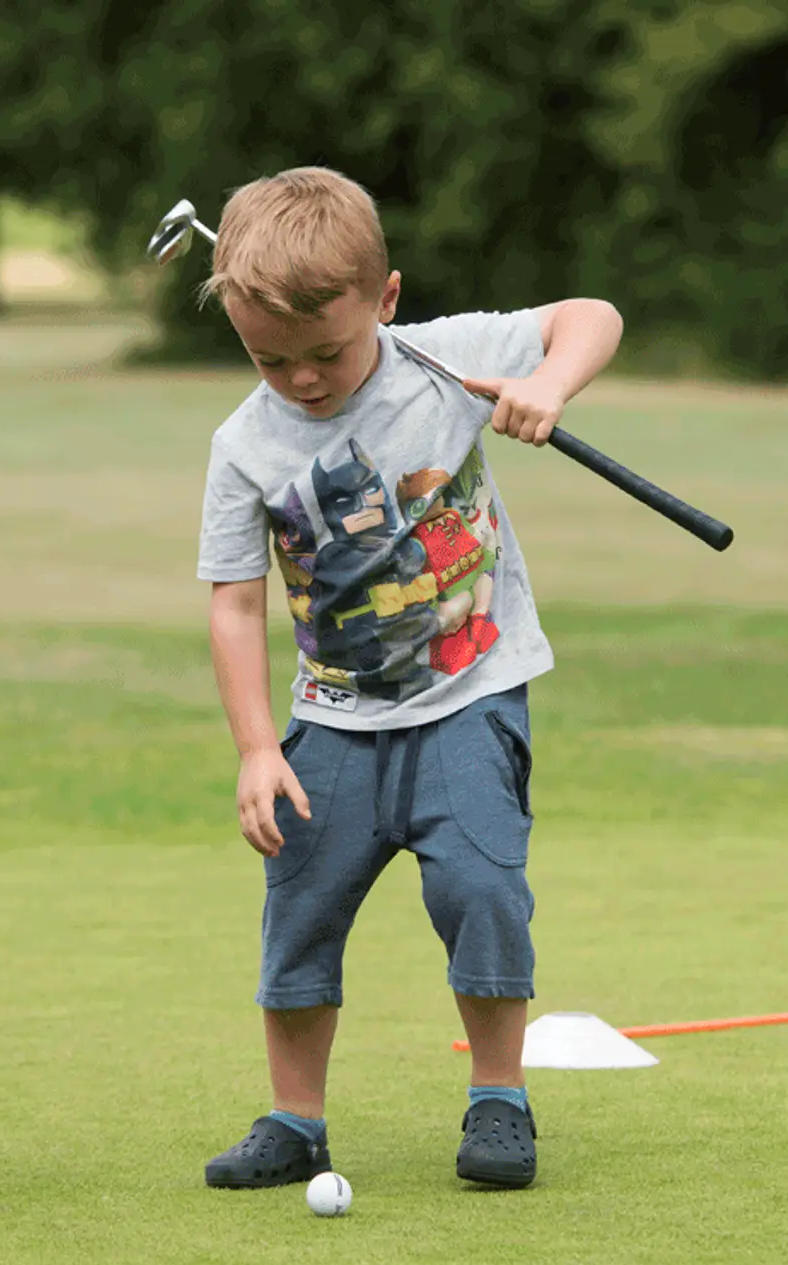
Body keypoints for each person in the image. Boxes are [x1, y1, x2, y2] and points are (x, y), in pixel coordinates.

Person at [194, 168, 623, 1189]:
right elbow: (233, 601)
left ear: (383, 300)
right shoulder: (243, 444)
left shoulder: (444, 360)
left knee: (480, 888)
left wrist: (547, 385)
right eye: (268, 358)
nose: (299, 379)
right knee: (298, 905)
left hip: (469, 698)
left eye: (325, 354)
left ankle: (497, 1101)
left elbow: (589, 315)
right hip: (328, 722)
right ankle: (294, 1119)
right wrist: (257, 746)